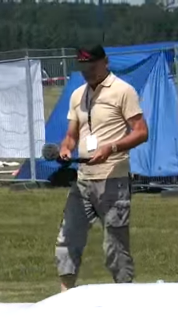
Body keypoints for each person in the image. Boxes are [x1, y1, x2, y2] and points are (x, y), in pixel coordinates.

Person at [55, 44, 149, 291]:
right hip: (83, 179)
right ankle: (65, 298)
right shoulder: (77, 95)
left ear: (105, 62)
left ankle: (125, 297)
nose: (87, 73)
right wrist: (66, 148)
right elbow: (71, 135)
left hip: (113, 180)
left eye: (92, 67)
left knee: (114, 247)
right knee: (67, 238)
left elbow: (141, 132)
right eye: (83, 68)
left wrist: (112, 148)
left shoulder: (123, 91)